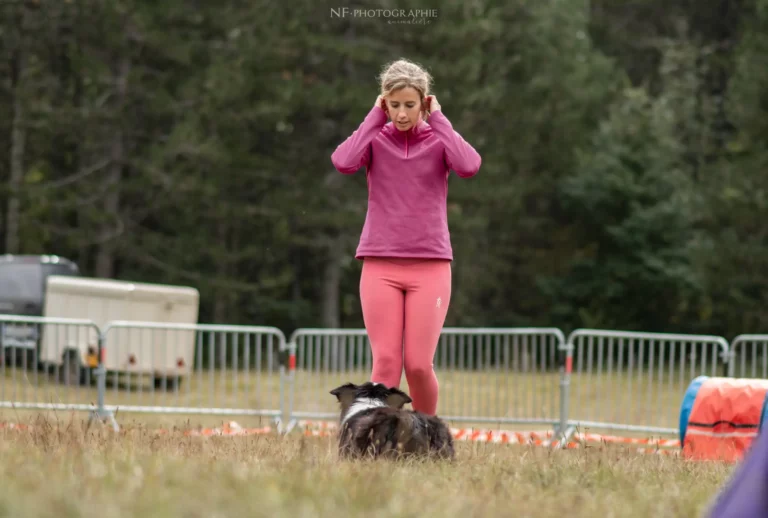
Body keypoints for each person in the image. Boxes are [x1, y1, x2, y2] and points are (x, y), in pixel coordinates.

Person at [330, 58, 482, 416]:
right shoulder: (376, 140)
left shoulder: (439, 140)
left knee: (416, 365)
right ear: (384, 103)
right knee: (385, 363)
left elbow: (469, 165)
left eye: (410, 105)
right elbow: (343, 161)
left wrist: (439, 120)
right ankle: (379, 438)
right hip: (380, 264)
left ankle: (428, 435)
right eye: (394, 105)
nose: (401, 114)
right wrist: (373, 118)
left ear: (424, 103)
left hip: (430, 265)